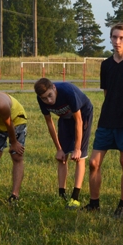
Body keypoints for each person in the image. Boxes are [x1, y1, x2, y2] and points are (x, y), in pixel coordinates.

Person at [86, 23, 123, 216]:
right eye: (114, 37)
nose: (117, 41)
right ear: (110, 38)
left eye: (121, 38)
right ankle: (94, 203)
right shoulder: (106, 65)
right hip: (106, 120)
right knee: (94, 162)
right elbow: (106, 92)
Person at [35, 78, 94, 208]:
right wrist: (59, 148)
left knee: (80, 157)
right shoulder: (41, 99)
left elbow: (78, 120)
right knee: (62, 157)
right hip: (65, 117)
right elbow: (49, 123)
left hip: (82, 114)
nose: (48, 101)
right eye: (44, 98)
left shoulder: (67, 92)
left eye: (50, 95)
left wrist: (77, 148)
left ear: (54, 89)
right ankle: (61, 195)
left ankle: (75, 197)